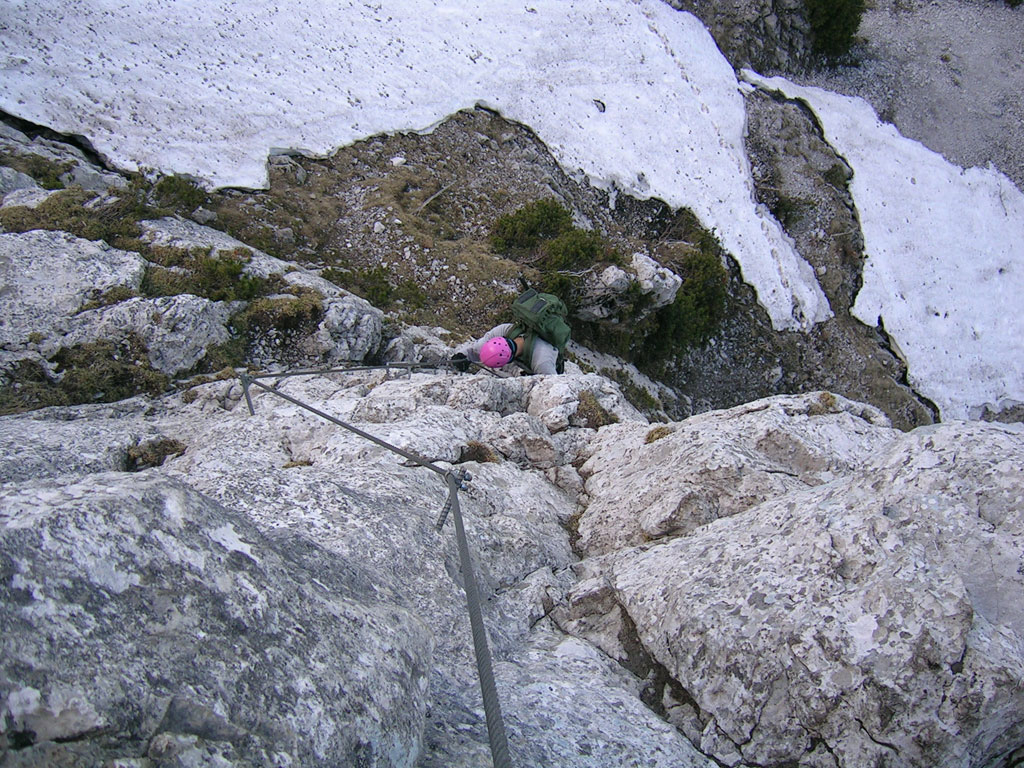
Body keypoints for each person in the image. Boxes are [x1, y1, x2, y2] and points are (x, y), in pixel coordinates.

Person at [452, 323, 559, 375]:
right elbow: (475, 350)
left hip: (547, 365)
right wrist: (462, 356)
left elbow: (553, 386)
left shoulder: (542, 362)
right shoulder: (503, 330)